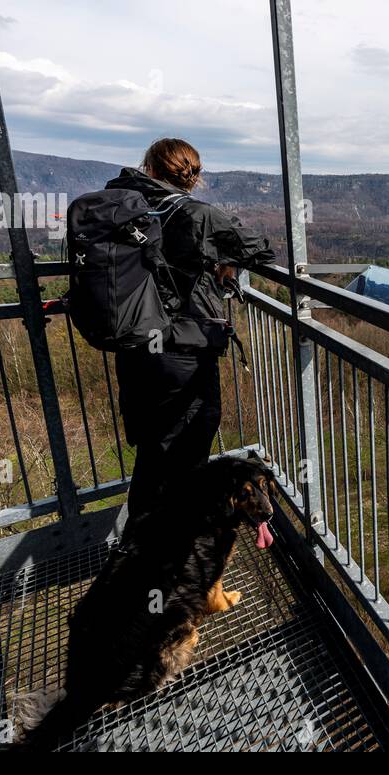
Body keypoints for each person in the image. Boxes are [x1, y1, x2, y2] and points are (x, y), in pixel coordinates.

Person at [107, 138, 274, 522]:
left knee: (153, 451)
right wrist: (222, 258)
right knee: (186, 454)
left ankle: (143, 551)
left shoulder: (119, 205)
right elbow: (260, 249)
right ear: (194, 176)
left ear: (148, 168)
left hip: (133, 351)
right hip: (181, 352)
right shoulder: (196, 214)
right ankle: (170, 555)